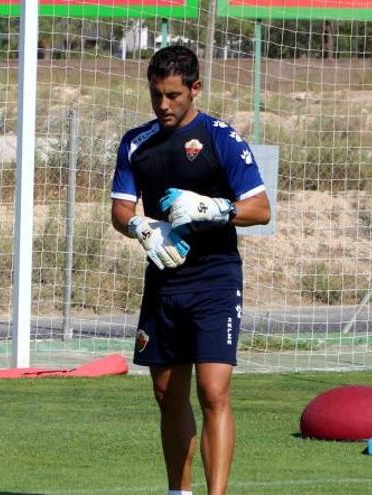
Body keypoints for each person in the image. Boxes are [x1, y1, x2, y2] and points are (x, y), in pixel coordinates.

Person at [110, 45, 270, 495]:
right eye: (156, 94)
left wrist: (216, 209)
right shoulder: (136, 142)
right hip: (164, 280)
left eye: (174, 95)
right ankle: (179, 492)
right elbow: (120, 209)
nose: (163, 105)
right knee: (166, 394)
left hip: (216, 279)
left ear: (195, 89)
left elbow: (261, 209)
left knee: (213, 391)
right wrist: (141, 226)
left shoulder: (222, 137)